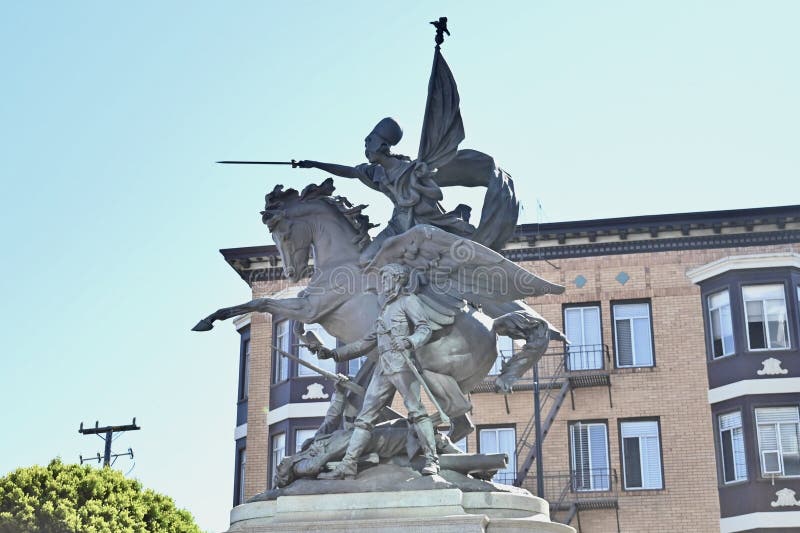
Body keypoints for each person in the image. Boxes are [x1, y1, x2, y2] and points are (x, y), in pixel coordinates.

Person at [313, 263, 441, 479]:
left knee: (416, 411)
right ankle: (349, 464)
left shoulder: (408, 301)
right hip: (383, 369)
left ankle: (432, 460)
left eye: (386, 278)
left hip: (402, 365)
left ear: (397, 278)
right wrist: (333, 354)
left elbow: (424, 328)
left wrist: (410, 342)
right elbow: (364, 343)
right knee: (365, 418)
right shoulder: (385, 310)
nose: (383, 283)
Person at [297, 117, 475, 261]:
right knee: (366, 259)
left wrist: (421, 179)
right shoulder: (375, 172)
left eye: (368, 144)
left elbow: (436, 194)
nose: (366, 149)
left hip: (420, 223)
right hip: (397, 225)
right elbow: (349, 171)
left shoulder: (411, 168)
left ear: (379, 145)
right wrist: (315, 164)